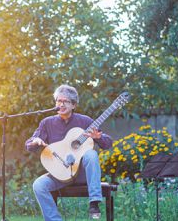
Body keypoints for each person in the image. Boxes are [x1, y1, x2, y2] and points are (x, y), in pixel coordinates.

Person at [25, 85, 113, 220]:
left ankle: (94, 202)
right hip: (60, 174)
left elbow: (108, 143)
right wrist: (34, 141)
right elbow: (29, 145)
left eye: (65, 101)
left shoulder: (85, 121)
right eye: (58, 101)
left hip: (82, 174)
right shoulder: (47, 123)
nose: (61, 104)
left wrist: (99, 137)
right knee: (39, 185)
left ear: (74, 105)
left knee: (91, 154)